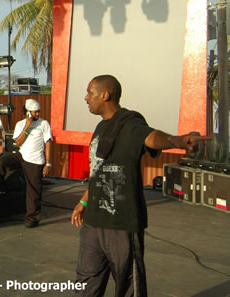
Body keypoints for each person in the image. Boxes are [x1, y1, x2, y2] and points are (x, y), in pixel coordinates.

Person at [70, 75, 210, 297]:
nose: (86, 98)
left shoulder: (131, 124)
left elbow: (152, 137)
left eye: (90, 92)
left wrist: (177, 141)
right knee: (86, 284)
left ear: (105, 95)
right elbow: (98, 170)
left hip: (122, 225)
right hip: (93, 223)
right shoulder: (100, 127)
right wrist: (84, 200)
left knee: (128, 288)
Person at [0, 99, 52, 228]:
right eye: (35, 112)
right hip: (22, 155)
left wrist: (48, 163)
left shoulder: (44, 124)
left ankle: (32, 219)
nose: (38, 114)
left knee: (33, 191)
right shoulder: (20, 124)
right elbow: (19, 142)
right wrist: (27, 126)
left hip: (35, 160)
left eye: (39, 111)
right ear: (28, 113)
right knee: (1, 162)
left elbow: (48, 143)